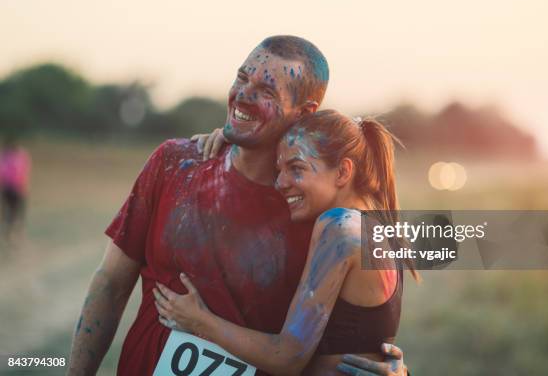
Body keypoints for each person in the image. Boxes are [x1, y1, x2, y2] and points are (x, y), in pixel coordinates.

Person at [68, 36, 408, 375]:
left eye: (266, 90)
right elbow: (111, 283)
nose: (244, 94)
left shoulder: (311, 211)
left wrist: (393, 369)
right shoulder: (175, 163)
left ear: (304, 113)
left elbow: (355, 329)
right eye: (242, 78)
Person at [153, 109, 418, 375]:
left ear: (343, 172)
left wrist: (199, 320)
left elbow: (287, 356)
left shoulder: (338, 227)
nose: (280, 182)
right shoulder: (382, 229)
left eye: (296, 168)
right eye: (279, 170)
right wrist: (233, 138)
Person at [0, 137, 30, 245]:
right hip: (15, 188)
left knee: (10, 211)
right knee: (15, 211)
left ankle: (11, 233)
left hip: (9, 188)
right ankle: (14, 233)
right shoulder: (18, 157)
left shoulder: (4, 157)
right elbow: (22, 171)